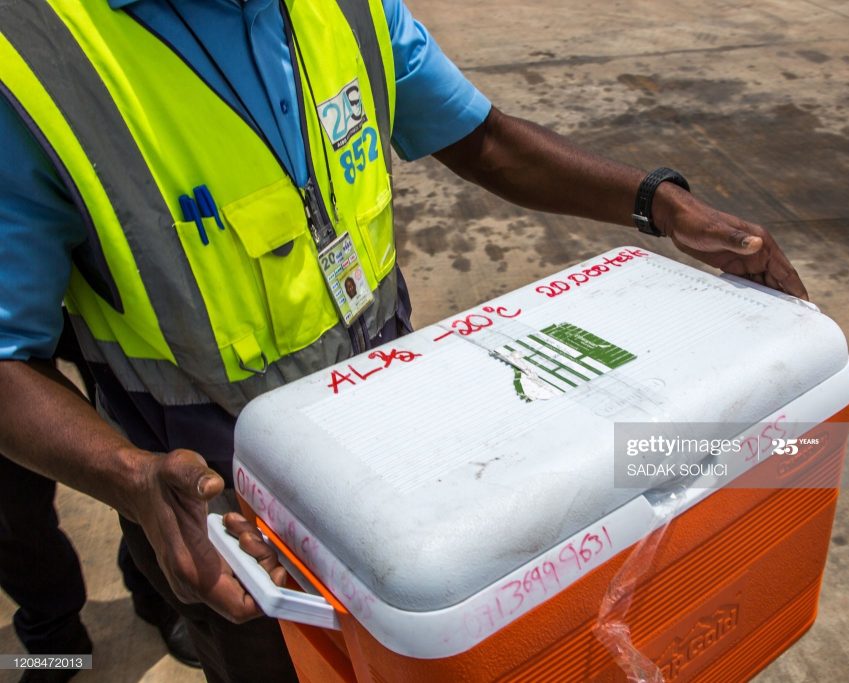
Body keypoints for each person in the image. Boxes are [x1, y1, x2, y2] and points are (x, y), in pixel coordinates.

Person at [0, 1, 807, 681]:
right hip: (243, 535)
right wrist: (131, 477)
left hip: (411, 467)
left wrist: (657, 202)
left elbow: (478, 136)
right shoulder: (35, 64)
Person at [0, 319, 199, 683]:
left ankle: (154, 591)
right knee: (9, 510)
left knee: (143, 439)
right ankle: (55, 642)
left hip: (90, 289)